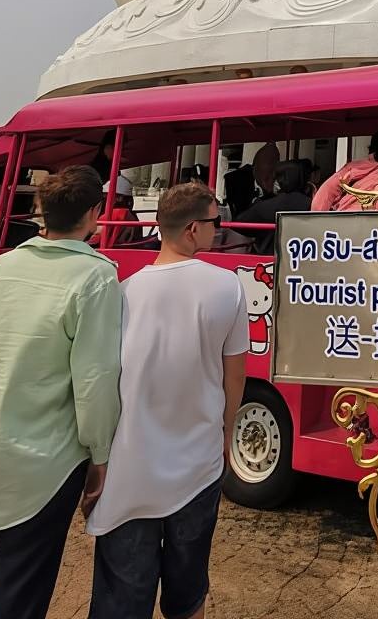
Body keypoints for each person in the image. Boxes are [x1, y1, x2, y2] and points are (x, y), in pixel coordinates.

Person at [0, 166, 122, 619]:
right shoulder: (96, 278)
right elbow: (94, 382)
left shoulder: (5, 264)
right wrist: (101, 456)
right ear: (95, 213)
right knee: (17, 600)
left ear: (42, 210)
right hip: (43, 468)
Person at [86, 183, 249, 619]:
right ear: (194, 228)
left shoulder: (123, 293)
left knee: (121, 599)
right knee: (187, 593)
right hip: (198, 466)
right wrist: (227, 431)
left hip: (130, 471)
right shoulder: (228, 287)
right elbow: (236, 374)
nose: (219, 230)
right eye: (216, 222)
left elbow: (102, 381)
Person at [311, 131, 378, 211]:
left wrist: (317, 218)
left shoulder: (355, 167)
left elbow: (327, 191)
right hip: (377, 223)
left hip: (345, 218)